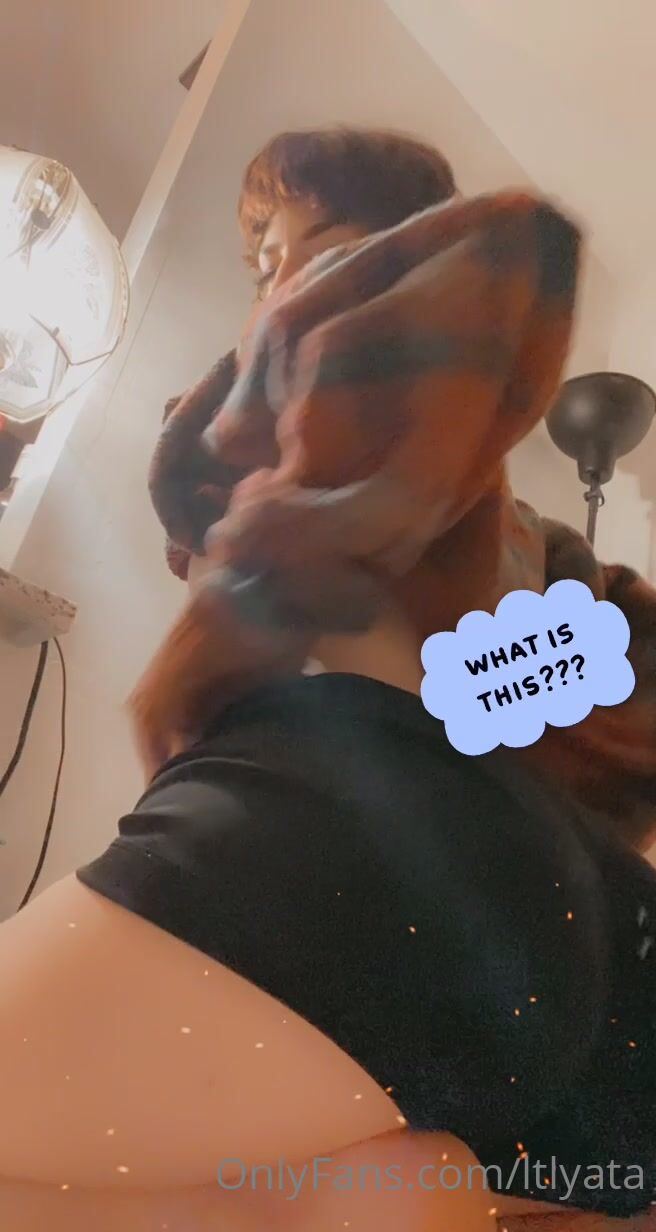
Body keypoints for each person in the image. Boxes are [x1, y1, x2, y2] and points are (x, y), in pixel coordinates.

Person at [0, 128, 654, 1232]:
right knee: (343, 1196)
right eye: (267, 264)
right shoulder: (513, 554)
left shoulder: (389, 425)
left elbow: (477, 685)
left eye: (330, 244)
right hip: (502, 953)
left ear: (413, 252)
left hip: (349, 854)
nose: (289, 283)